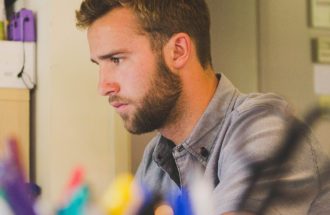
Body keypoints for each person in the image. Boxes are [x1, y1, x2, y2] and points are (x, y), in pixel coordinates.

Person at [75, 0, 329, 214]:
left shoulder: (267, 128)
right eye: (99, 64)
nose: (103, 86)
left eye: (116, 60)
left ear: (178, 51)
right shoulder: (156, 160)